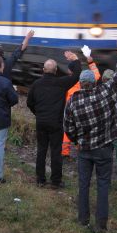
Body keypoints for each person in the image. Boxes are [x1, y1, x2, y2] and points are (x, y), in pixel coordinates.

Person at [64, 38, 117, 233]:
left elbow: (68, 128)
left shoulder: (73, 102)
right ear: (94, 82)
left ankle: (82, 218)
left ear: (80, 84)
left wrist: (77, 141)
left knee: (83, 184)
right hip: (104, 148)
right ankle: (101, 224)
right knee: (103, 185)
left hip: (84, 150)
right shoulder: (105, 94)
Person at [27, 52, 81, 188]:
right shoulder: (61, 83)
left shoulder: (36, 84)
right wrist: (76, 60)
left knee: (41, 150)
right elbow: (76, 76)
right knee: (56, 151)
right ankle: (56, 181)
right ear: (56, 70)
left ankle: (40, 180)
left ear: (43, 70)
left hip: (41, 122)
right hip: (56, 123)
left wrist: (38, 113)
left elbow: (29, 103)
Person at [63, 46, 100, 158]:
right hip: (83, 111)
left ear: (70, 71)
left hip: (70, 111)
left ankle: (64, 152)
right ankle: (80, 149)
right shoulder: (86, 81)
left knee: (67, 130)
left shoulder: (67, 84)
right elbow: (97, 74)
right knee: (82, 129)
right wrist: (90, 59)